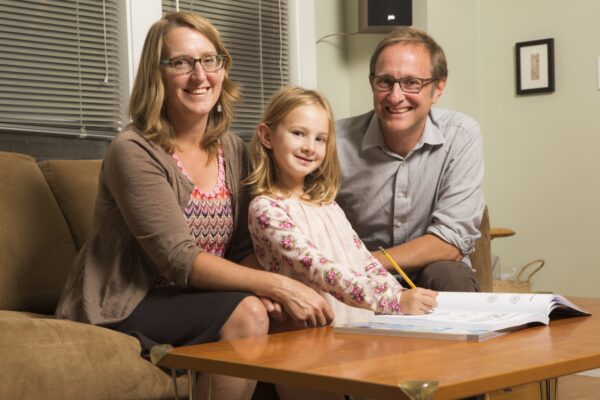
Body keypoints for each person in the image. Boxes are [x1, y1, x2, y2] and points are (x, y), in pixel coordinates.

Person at [54, 12, 333, 400]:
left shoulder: (233, 149)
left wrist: (289, 293)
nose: (200, 76)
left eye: (209, 60)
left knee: (298, 315)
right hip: (128, 302)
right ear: (157, 74)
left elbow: (241, 249)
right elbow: (178, 258)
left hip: (195, 298)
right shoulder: (133, 150)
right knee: (250, 312)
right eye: (181, 63)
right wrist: (277, 284)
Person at [246, 85, 438, 328]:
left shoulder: (327, 205)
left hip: (358, 327)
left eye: (320, 139)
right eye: (298, 133)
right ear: (266, 136)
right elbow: (321, 270)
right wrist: (393, 300)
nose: (309, 146)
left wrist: (401, 294)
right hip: (311, 335)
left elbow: (364, 261)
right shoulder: (267, 209)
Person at [335, 27, 485, 292]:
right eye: (385, 82)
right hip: (356, 280)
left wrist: (365, 262)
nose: (396, 96)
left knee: (451, 276)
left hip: (425, 269)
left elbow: (451, 241)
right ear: (372, 83)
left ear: (438, 88)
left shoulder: (460, 135)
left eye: (411, 83)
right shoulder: (334, 142)